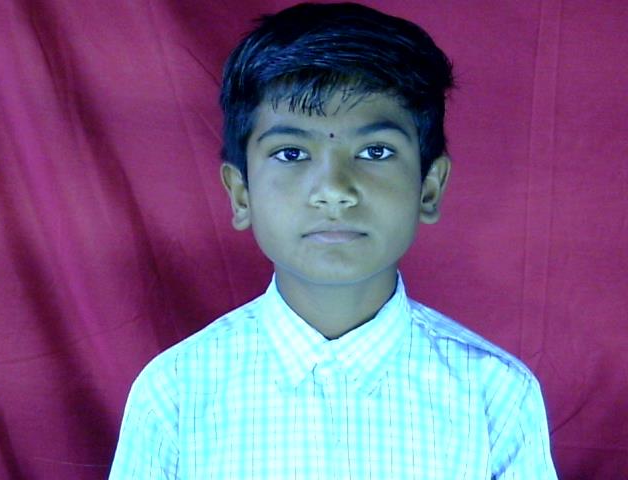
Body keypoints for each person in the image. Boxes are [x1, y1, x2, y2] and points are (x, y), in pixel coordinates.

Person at [109, 3, 558, 478]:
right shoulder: (175, 395)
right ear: (241, 195)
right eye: (291, 153)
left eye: (375, 151)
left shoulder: (495, 397)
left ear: (428, 188)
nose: (334, 190)